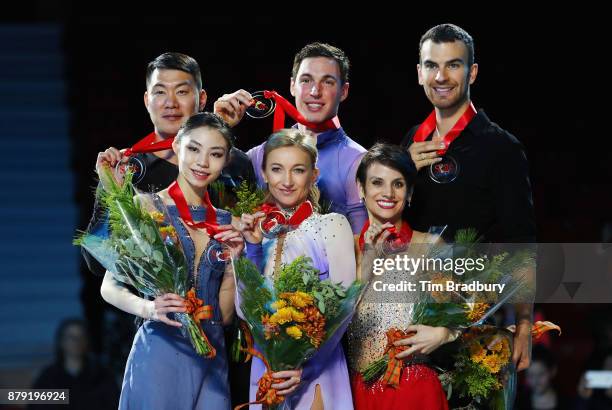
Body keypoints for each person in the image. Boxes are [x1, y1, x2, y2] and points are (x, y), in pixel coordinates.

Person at [400, 23, 535, 372]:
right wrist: (401, 174)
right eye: (431, 65)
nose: (441, 76)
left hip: (473, 320)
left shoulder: (501, 148)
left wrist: (523, 327)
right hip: (408, 314)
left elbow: (522, 244)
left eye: (453, 65)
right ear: (419, 73)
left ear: (472, 72)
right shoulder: (412, 141)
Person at [99, 113, 243, 410]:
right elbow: (108, 287)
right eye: (193, 149)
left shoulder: (231, 225)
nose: (202, 162)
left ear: (227, 160)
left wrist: (235, 265)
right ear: (176, 145)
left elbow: (225, 317)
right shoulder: (145, 208)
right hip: (161, 349)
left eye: (215, 154)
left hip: (213, 358)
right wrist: (148, 308)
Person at [238, 129, 356, 409]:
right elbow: (245, 311)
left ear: (313, 175)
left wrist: (307, 367)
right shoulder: (255, 231)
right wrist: (252, 248)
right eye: (277, 169)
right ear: (264, 173)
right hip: (268, 369)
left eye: (298, 170)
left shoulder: (332, 225)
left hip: (318, 369)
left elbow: (345, 309)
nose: (287, 181)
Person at [217, 42, 368, 234]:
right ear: (292, 86)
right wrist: (218, 124)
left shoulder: (359, 161)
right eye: (306, 80)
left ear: (343, 91)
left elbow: (362, 248)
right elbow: (207, 191)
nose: (315, 92)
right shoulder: (258, 155)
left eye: (328, 81)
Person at [347, 143, 455, 410]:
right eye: (377, 182)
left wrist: (444, 333)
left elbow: (462, 308)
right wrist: (368, 261)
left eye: (398, 184)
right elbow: (333, 318)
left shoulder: (430, 246)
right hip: (355, 391)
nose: (388, 193)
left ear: (409, 193)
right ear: (361, 188)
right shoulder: (345, 247)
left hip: (416, 390)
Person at [29, 318, 119, 410]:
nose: (76, 342)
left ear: (87, 341)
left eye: (81, 337)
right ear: (61, 342)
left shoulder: (102, 376)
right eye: (71, 337)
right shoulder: (47, 378)